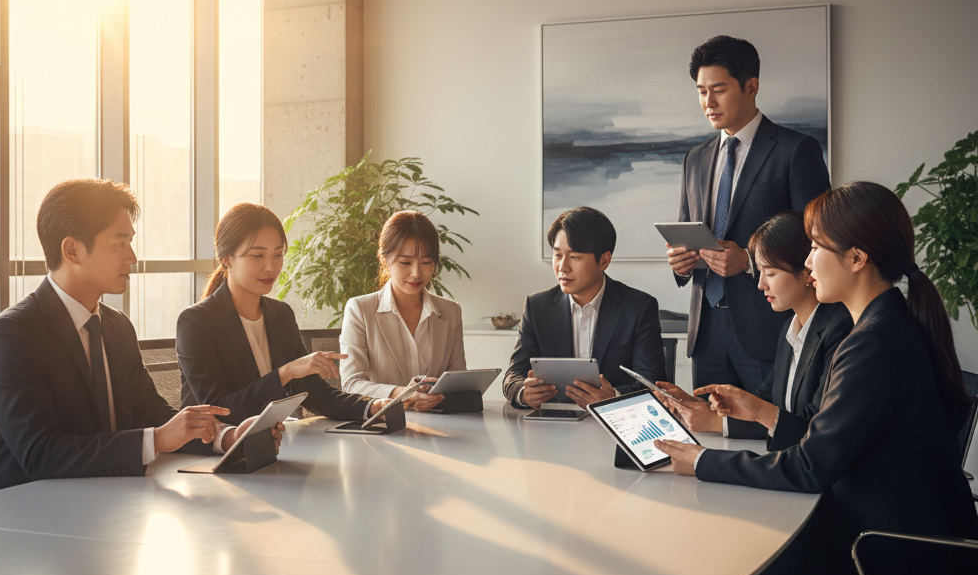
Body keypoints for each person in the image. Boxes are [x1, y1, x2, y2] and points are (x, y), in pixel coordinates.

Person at [655, 182, 978, 575]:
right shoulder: (885, 324)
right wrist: (752, 423)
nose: (806, 262)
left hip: (897, 571)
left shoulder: (873, 340)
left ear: (855, 259)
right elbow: (827, 445)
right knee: (745, 566)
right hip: (907, 554)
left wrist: (701, 462)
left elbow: (809, 466)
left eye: (814, 247)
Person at [0, 179, 278, 494]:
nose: (131, 256)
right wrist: (159, 439)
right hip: (19, 516)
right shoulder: (13, 335)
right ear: (72, 250)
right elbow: (41, 454)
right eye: (119, 243)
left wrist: (227, 437)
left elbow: (151, 414)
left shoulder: (116, 326)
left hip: (103, 502)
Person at [667, 36, 830, 395]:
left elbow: (816, 240)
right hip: (706, 331)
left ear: (751, 86)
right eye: (701, 91)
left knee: (770, 435)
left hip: (769, 328)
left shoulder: (795, 151)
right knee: (710, 433)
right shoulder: (694, 159)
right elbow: (686, 229)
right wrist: (680, 262)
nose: (708, 102)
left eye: (719, 89)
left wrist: (749, 262)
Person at [177, 203, 382, 426]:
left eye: (277, 255)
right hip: (216, 452)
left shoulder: (280, 314)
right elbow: (219, 411)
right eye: (257, 256)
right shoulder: (196, 323)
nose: (270, 267)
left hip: (275, 443)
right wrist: (285, 373)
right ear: (226, 258)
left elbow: (314, 393)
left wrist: (371, 406)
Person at [657, 210, 852, 444]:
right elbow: (765, 402)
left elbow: (812, 427)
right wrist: (700, 406)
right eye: (759, 272)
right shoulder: (790, 328)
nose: (760, 285)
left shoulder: (841, 330)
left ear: (807, 271)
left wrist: (715, 423)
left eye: (770, 273)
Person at [504, 206, 666, 410]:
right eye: (557, 255)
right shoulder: (537, 307)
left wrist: (612, 397)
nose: (563, 267)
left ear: (604, 260)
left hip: (614, 426)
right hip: (552, 428)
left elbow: (653, 383)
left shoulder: (639, 307)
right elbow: (513, 376)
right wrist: (524, 393)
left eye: (574, 257)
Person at [340, 210, 466, 412]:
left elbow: (459, 382)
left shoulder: (451, 312)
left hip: (441, 428)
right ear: (384, 259)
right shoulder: (360, 310)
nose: (417, 273)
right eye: (405, 262)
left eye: (426, 262)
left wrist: (435, 397)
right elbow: (351, 384)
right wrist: (403, 394)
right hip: (384, 427)